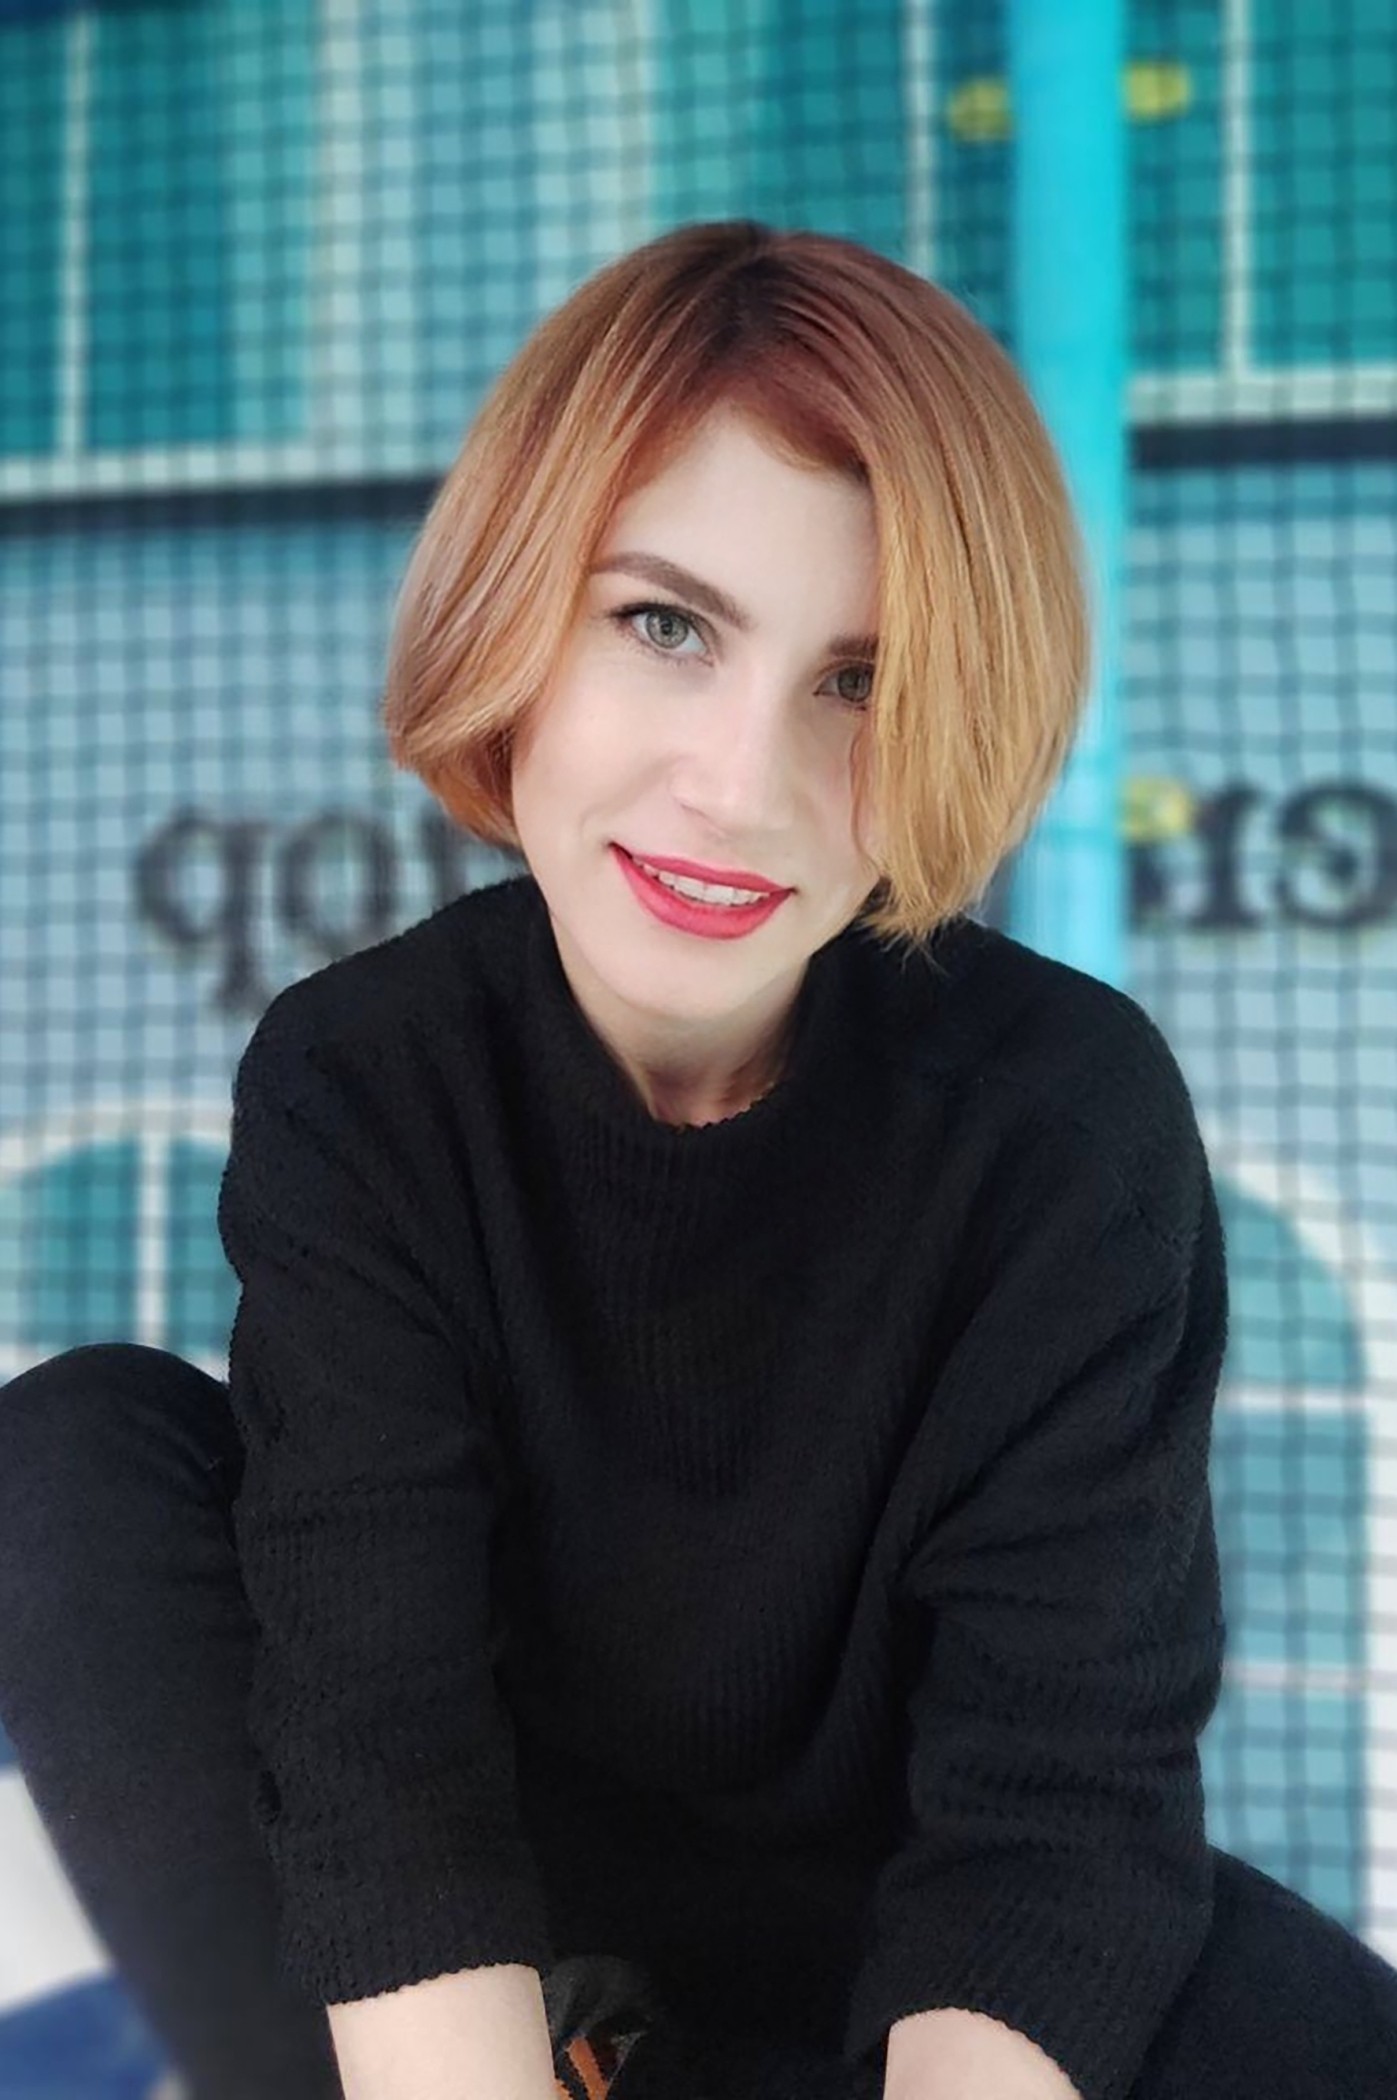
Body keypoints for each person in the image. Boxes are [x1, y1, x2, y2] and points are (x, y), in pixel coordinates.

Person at [1, 218, 1395, 2100]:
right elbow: (379, 1742)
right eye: (665, 625)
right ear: (520, 609)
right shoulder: (365, 1079)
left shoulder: (1064, 1123)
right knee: (80, 1451)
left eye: (858, 681)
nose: (738, 785)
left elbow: (1050, 1806)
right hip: (486, 1964)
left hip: (906, 1972)